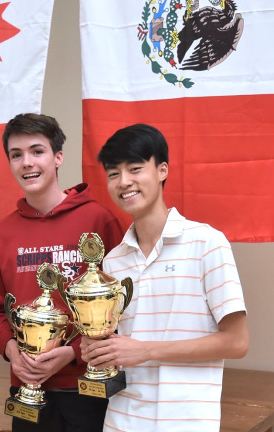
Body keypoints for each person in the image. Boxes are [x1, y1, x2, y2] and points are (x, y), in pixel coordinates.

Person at [81, 123, 249, 431]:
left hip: (188, 421)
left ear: (162, 170)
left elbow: (237, 342)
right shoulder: (113, 260)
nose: (124, 181)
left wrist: (145, 351)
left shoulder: (207, 243)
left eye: (135, 169)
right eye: (114, 173)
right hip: (122, 420)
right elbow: (118, 344)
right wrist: (97, 348)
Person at [0, 113, 124, 431]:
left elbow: (120, 307)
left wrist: (73, 353)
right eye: (16, 155)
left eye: (37, 151)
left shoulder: (99, 220)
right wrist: (12, 351)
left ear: (58, 157)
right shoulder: (2, 233)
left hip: (87, 385)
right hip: (26, 387)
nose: (27, 162)